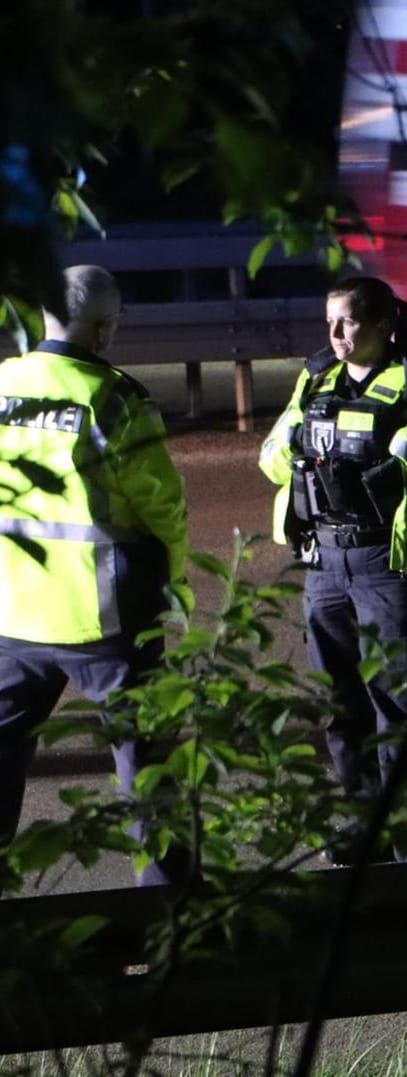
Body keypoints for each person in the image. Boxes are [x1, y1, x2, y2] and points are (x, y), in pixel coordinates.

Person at [257, 276, 407, 858]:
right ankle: (363, 824)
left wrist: (402, 453)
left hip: (390, 560)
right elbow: (272, 456)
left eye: (348, 322)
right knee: (340, 701)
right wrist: (305, 444)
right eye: (329, 321)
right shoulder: (316, 378)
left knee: (400, 704)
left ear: (384, 324)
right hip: (324, 557)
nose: (334, 334)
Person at [0, 264, 194, 886]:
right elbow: (162, 505)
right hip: (105, 617)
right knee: (146, 762)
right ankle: (168, 911)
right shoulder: (112, 397)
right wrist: (177, 584)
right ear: (105, 329)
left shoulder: (1, 384)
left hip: (12, 612)